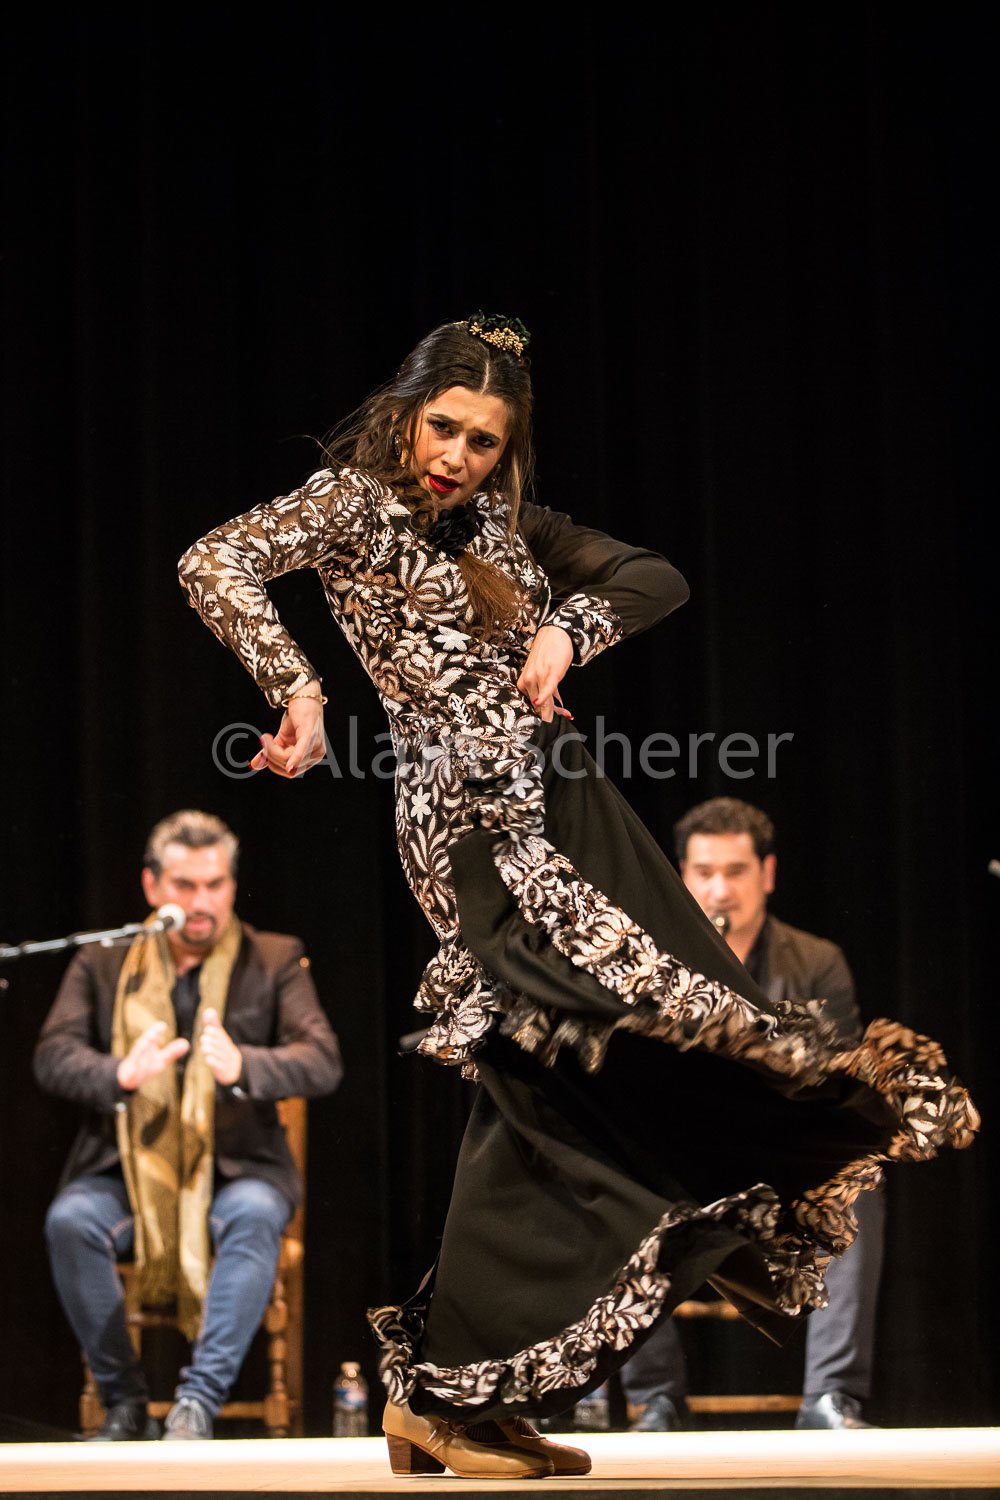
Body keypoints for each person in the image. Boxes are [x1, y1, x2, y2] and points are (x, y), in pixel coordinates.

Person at [177, 312, 977, 1479]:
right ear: (405, 415)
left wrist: (564, 629)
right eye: (444, 428)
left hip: (564, 804)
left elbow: (657, 577)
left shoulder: (511, 526)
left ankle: (456, 1393)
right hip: (474, 823)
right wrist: (296, 691)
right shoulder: (348, 502)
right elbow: (215, 558)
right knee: (576, 1065)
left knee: (571, 1080)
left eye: (485, 442)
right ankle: (450, 1395)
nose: (458, 456)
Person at [34, 809, 343, 1442]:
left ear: (232, 885)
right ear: (152, 886)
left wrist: (243, 1064)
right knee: (71, 1221)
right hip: (127, 1176)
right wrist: (120, 1072)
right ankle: (125, 1406)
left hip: (238, 1170)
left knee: (256, 1213)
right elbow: (53, 1055)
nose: (201, 902)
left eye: (215, 884)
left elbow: (322, 1060)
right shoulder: (103, 960)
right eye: (185, 885)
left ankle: (195, 1407)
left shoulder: (273, 958)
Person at [608, 797, 885, 1433]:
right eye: (704, 872)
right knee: (614, 1176)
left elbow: (834, 1079)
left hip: (781, 1161)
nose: (719, 890)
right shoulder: (649, 961)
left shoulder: (816, 960)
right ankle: (655, 1400)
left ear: (767, 874)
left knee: (860, 1182)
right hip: (684, 1163)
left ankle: (831, 1398)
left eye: (735, 871)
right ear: (681, 875)